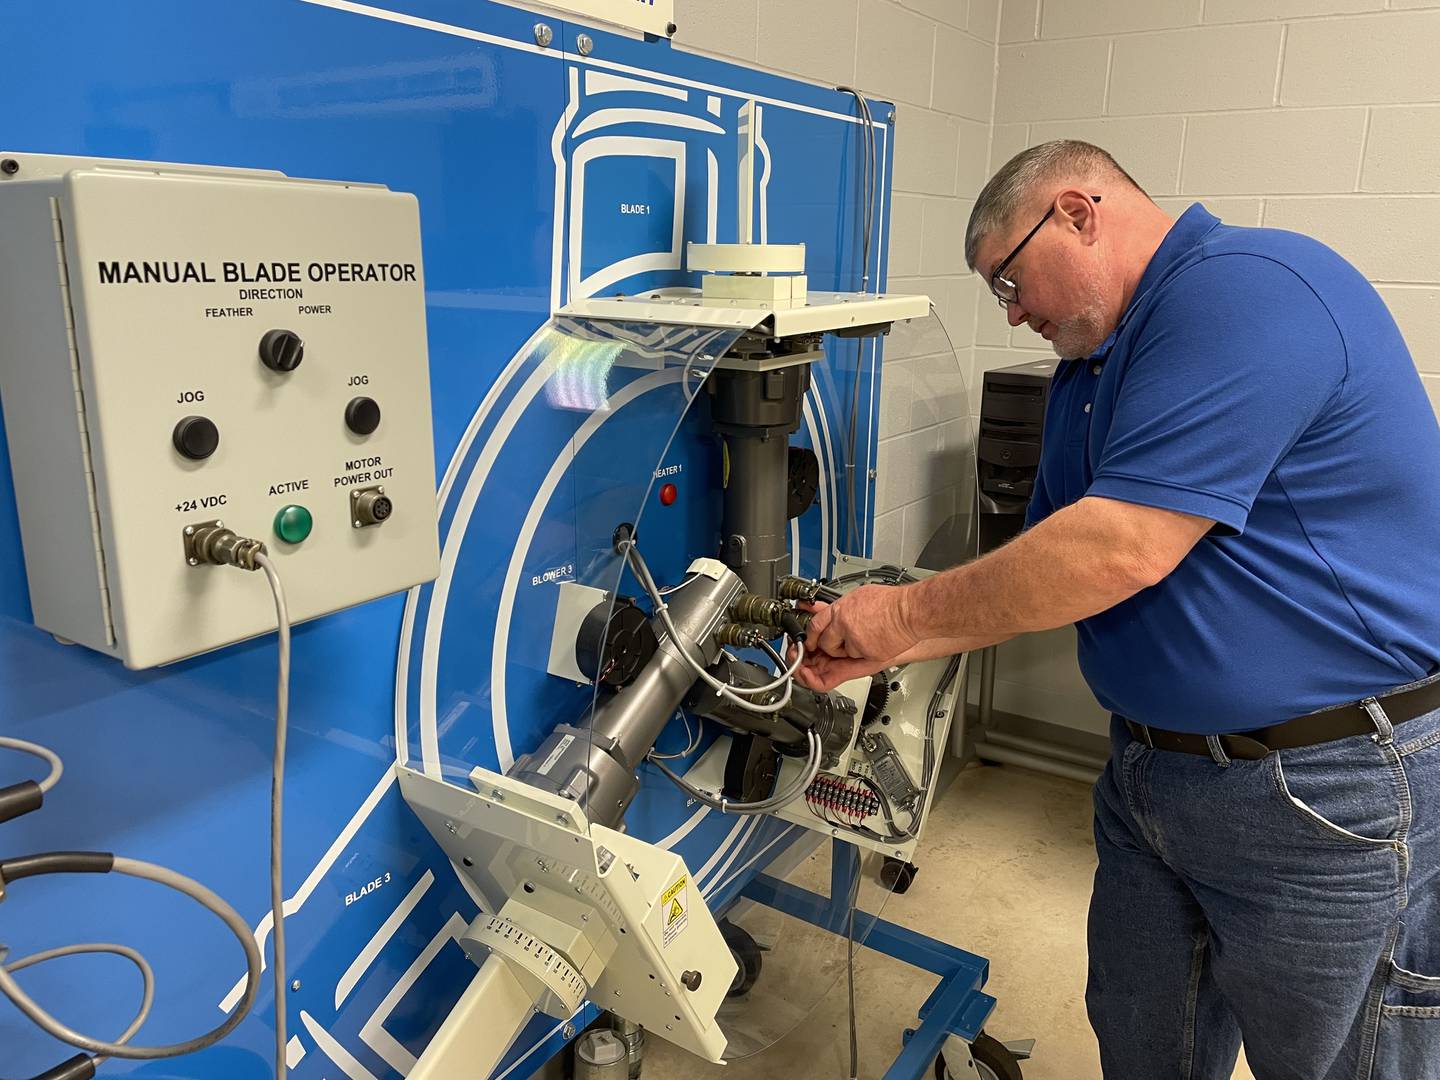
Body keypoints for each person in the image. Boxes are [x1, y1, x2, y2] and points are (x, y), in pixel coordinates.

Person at [796, 140, 1440, 1079]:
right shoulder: (1090, 373)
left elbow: (1117, 549)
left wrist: (898, 618)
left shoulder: (1251, 287)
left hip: (1323, 787)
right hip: (1149, 774)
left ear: (1077, 212)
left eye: (1007, 282)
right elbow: (1041, 570)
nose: (1013, 315)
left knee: (1340, 1058)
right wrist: (877, 644)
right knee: (1144, 1034)